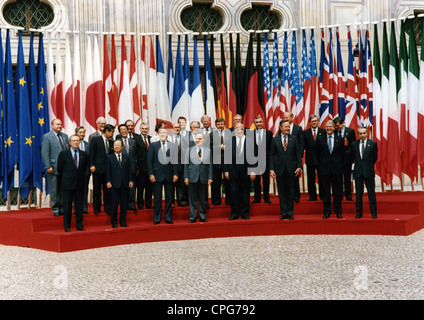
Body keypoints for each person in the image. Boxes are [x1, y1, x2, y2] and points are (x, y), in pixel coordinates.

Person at [270, 120, 303, 220]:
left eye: (288, 127)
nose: (288, 128)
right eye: (285, 127)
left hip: (292, 169)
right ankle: (283, 213)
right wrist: (271, 169)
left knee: (291, 192)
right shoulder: (275, 140)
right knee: (282, 193)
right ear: (280, 128)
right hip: (279, 170)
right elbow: (271, 156)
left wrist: (299, 166)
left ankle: (290, 213)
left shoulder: (294, 138)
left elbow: (298, 154)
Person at [224, 123, 256, 220]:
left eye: (241, 129)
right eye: (236, 129)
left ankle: (245, 213)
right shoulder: (230, 141)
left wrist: (253, 170)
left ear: (244, 130)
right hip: (233, 172)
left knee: (245, 193)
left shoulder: (250, 141)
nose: (239, 131)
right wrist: (226, 170)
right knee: (234, 193)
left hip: (246, 171)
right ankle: (234, 213)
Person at [147, 126, 179, 225]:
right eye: (160, 133)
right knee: (157, 199)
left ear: (167, 134)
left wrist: (176, 174)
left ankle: (168, 218)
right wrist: (151, 174)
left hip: (169, 175)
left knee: (169, 198)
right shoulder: (153, 145)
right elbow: (149, 161)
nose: (162, 134)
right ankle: (157, 218)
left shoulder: (173, 145)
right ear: (158, 134)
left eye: (164, 133)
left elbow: (176, 162)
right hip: (156, 175)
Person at [57, 134, 88, 232]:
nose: (75, 142)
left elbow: (84, 169)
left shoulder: (84, 154)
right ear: (70, 142)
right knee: (67, 206)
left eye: (77, 140)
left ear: (79, 142)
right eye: (73, 140)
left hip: (79, 184)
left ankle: (79, 225)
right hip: (68, 183)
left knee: (79, 206)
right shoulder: (63, 154)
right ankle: (67, 226)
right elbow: (60, 169)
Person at [316, 120, 344, 219]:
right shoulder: (320, 139)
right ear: (325, 128)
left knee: (337, 191)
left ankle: (338, 211)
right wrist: (319, 167)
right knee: (326, 192)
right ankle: (327, 211)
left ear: (333, 128)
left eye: (330, 127)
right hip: (324, 169)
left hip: (337, 169)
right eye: (326, 127)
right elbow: (317, 154)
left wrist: (341, 167)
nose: (328, 128)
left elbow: (342, 155)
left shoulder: (339, 139)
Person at [41, 119, 69, 217]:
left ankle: (62, 207)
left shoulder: (65, 136)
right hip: (53, 167)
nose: (59, 126)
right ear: (52, 126)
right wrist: (48, 166)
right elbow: (45, 153)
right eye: (57, 124)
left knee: (62, 189)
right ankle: (55, 208)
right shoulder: (47, 137)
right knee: (54, 189)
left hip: (64, 168)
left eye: (61, 124)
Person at [184, 133, 213, 223]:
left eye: (200, 139)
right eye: (196, 139)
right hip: (192, 177)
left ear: (203, 140)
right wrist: (186, 177)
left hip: (203, 178)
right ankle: (192, 217)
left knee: (202, 199)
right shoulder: (189, 150)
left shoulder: (208, 151)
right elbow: (186, 165)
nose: (198, 140)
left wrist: (210, 177)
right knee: (192, 199)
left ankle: (202, 216)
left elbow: (210, 165)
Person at [105, 140, 134, 228]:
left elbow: (129, 170)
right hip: (114, 184)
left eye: (118, 145)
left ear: (122, 147)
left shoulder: (126, 157)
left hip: (124, 184)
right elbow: (107, 171)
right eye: (115, 145)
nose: (116, 147)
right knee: (114, 204)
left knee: (124, 205)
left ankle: (123, 221)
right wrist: (108, 181)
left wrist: (130, 180)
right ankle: (114, 221)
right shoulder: (109, 157)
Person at [352, 127, 378, 219]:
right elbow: (353, 157)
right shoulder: (354, 144)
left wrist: (368, 166)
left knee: (371, 193)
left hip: (369, 171)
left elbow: (374, 158)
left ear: (367, 133)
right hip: (358, 172)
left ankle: (374, 213)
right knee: (358, 194)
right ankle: (359, 213)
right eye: (360, 133)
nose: (362, 135)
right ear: (358, 134)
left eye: (364, 133)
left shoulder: (373, 144)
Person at [89, 124, 115, 215]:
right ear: (107, 131)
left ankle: (107, 207)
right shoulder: (96, 140)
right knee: (96, 189)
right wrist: (92, 165)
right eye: (112, 132)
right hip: (97, 169)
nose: (113, 134)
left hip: (108, 170)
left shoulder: (111, 142)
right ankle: (96, 208)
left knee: (107, 189)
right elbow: (91, 153)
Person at [333, 116, 356, 201]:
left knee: (347, 177)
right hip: (337, 159)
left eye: (338, 125)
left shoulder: (350, 131)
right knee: (337, 178)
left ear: (342, 123)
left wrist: (349, 154)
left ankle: (348, 194)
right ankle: (338, 194)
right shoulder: (334, 132)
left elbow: (353, 144)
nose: (336, 127)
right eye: (335, 125)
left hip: (347, 158)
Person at [303, 115, 325, 201]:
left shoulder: (323, 132)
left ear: (318, 121)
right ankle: (312, 196)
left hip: (321, 159)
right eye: (312, 121)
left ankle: (323, 195)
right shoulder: (305, 133)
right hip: (310, 159)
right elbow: (304, 145)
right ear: (310, 123)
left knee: (322, 178)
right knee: (310, 178)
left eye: (315, 121)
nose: (314, 122)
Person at [116, 123, 137, 212]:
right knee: (123, 188)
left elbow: (135, 155)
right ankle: (123, 204)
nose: (124, 131)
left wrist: (137, 167)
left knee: (132, 187)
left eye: (125, 129)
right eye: (122, 130)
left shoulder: (133, 142)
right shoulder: (117, 142)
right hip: (122, 168)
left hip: (132, 168)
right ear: (119, 132)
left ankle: (131, 204)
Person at [252, 116, 273, 204]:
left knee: (266, 180)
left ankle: (266, 197)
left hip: (266, 159)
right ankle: (257, 198)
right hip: (254, 160)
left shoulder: (268, 133)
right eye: (257, 122)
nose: (258, 124)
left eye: (260, 122)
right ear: (254, 123)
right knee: (256, 180)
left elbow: (271, 148)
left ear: (263, 123)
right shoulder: (250, 134)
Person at [284, 112, 304, 203]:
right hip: (285, 157)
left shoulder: (298, 128)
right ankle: (288, 195)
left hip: (295, 157)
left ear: (292, 118)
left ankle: (296, 196)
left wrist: (299, 156)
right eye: (284, 117)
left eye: (287, 117)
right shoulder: (282, 128)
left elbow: (301, 143)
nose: (285, 118)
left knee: (295, 177)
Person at [210, 117, 231, 206]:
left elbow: (233, 145)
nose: (220, 126)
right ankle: (216, 200)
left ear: (224, 124)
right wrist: (219, 147)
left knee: (228, 182)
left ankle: (229, 200)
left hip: (227, 161)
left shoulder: (229, 133)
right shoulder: (211, 134)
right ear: (215, 125)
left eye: (222, 124)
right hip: (216, 161)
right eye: (218, 124)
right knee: (216, 182)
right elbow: (209, 146)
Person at [133, 122, 153, 210]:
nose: (144, 130)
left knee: (149, 187)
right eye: (143, 128)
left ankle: (148, 204)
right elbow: (134, 154)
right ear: (140, 129)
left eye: (146, 129)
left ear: (148, 129)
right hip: (141, 168)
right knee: (140, 187)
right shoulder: (135, 139)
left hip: (150, 168)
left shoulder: (151, 139)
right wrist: (136, 167)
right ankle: (140, 205)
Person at [170, 122, 188, 207]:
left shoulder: (185, 138)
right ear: (172, 128)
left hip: (182, 164)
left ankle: (181, 201)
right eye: (175, 127)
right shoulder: (168, 138)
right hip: (171, 165)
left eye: (178, 127)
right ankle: (171, 202)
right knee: (171, 185)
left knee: (181, 184)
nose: (177, 128)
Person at [76, 126, 90, 214]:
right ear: (76, 133)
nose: (82, 134)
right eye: (80, 132)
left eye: (83, 132)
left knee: (85, 190)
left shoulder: (88, 144)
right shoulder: (71, 144)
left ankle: (84, 208)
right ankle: (76, 208)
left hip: (85, 171)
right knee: (75, 190)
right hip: (75, 172)